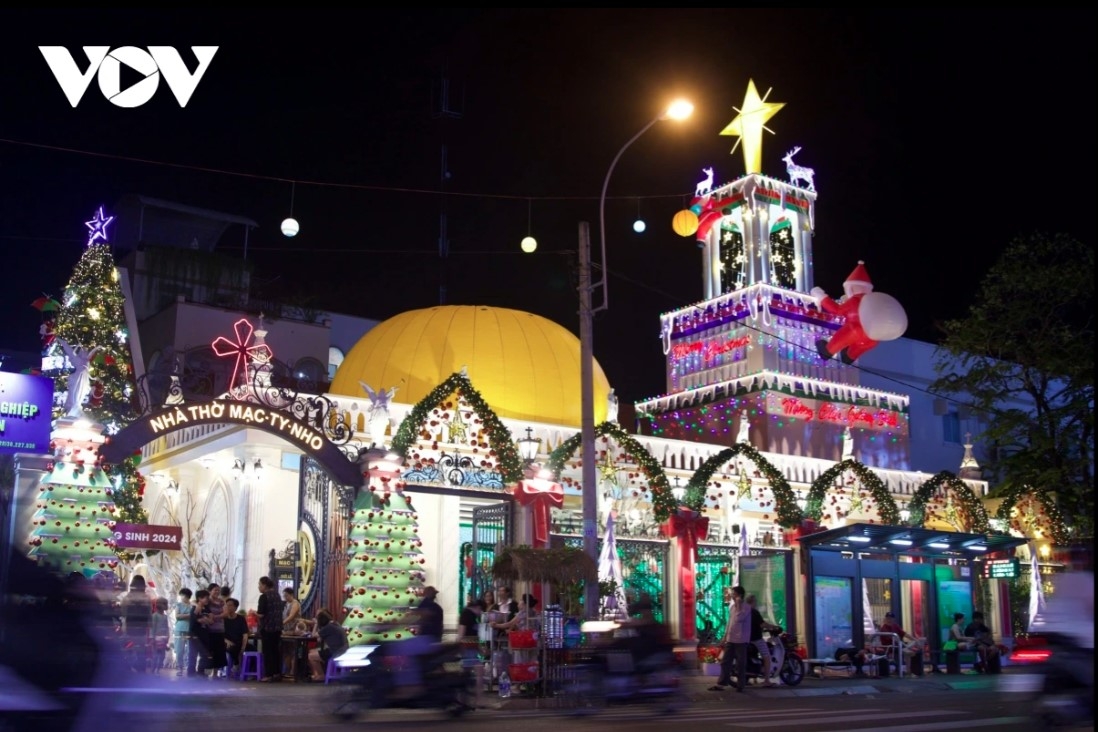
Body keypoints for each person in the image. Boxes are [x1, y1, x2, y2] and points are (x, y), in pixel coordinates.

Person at [712, 584, 750, 692]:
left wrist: (738, 604)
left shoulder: (746, 607)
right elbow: (730, 623)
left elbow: (740, 618)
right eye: (732, 594)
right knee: (725, 661)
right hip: (731, 639)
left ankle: (740, 684)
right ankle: (722, 683)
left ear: (740, 595)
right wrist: (725, 637)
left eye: (734, 594)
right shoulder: (732, 607)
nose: (732, 596)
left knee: (740, 663)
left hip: (741, 640)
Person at [746, 594, 779, 686]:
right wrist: (773, 626)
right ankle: (766, 680)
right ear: (753, 602)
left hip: (746, 638)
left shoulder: (744, 611)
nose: (756, 603)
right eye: (756, 601)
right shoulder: (754, 612)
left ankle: (750, 677)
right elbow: (762, 624)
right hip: (756, 638)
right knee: (767, 656)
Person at [120, 574, 151, 672]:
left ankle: (128, 667)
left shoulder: (127, 598)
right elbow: (149, 615)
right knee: (141, 648)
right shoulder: (146, 598)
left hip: (130, 626)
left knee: (129, 647)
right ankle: (141, 667)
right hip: (142, 627)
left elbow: (123, 613)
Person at [878, 611, 924, 676]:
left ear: (893, 619)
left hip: (899, 645)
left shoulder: (895, 626)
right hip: (890, 648)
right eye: (888, 618)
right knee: (908, 652)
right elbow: (893, 639)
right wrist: (903, 644)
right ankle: (908, 670)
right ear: (885, 619)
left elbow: (904, 634)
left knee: (920, 641)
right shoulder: (884, 628)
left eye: (891, 618)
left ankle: (908, 670)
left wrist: (915, 639)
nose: (889, 620)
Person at [256, 576, 284, 682]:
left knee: (267, 652)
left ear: (264, 585)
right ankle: (277, 673)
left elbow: (261, 614)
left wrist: (254, 613)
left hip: (267, 628)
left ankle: (268, 675)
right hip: (277, 628)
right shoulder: (277, 595)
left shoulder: (264, 596)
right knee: (276, 651)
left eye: (259, 584)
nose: (259, 587)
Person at [308, 609, 349, 681]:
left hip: (335, 652)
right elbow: (320, 639)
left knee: (311, 656)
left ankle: (321, 675)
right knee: (312, 652)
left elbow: (313, 635)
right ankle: (317, 674)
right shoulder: (335, 624)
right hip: (343, 650)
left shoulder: (328, 627)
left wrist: (316, 624)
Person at [204, 583, 227, 677]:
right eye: (215, 590)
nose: (217, 592)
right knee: (208, 651)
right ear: (210, 591)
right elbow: (195, 602)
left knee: (219, 652)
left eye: (218, 590)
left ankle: (215, 672)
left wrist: (215, 616)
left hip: (220, 630)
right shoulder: (207, 601)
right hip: (209, 630)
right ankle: (205, 671)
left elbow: (225, 614)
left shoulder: (222, 601)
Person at [223, 597, 249, 677]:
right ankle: (236, 663)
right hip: (226, 642)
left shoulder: (241, 619)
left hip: (239, 642)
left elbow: (245, 634)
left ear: (235, 607)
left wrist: (244, 646)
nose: (227, 607)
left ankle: (248, 672)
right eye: (226, 605)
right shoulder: (223, 618)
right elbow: (220, 633)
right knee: (231, 647)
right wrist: (226, 641)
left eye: (230, 605)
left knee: (252, 649)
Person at [189, 588, 212, 677]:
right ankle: (191, 672)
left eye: (207, 597)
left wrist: (206, 619)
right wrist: (204, 619)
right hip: (194, 634)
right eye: (205, 598)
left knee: (204, 653)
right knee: (193, 654)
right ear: (199, 598)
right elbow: (197, 620)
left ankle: (201, 671)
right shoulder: (195, 607)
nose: (207, 599)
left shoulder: (207, 609)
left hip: (204, 634)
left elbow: (211, 621)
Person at [173, 588, 193, 676]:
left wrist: (183, 616)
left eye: (182, 595)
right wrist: (188, 615)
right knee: (179, 650)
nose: (181, 597)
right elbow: (177, 616)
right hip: (179, 629)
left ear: (187, 596)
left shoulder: (192, 606)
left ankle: (189, 667)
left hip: (190, 629)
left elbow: (194, 616)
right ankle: (179, 668)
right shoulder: (179, 604)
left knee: (190, 650)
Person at [150, 597, 171, 673]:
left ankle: (158, 669)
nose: (166, 606)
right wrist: (152, 638)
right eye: (165, 604)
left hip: (163, 638)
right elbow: (152, 627)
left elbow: (166, 626)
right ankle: (153, 669)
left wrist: (168, 635)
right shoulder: (154, 616)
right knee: (155, 655)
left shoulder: (165, 616)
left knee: (162, 655)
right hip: (156, 638)